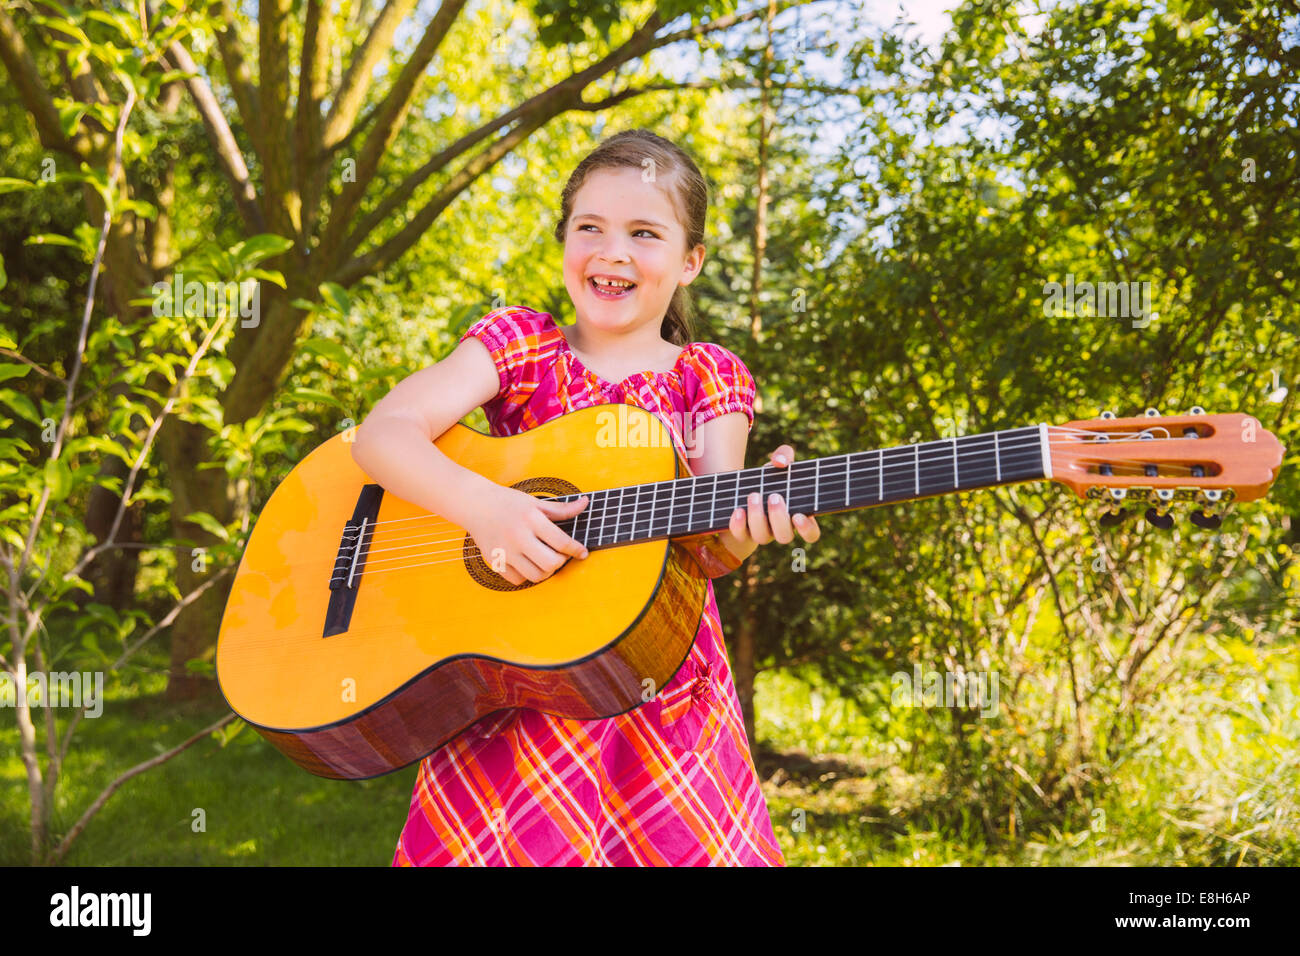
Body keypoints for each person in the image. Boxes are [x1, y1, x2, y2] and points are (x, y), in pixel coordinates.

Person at [351, 128, 820, 866]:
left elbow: (711, 542)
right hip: (513, 690)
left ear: (691, 260)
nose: (613, 252)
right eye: (590, 227)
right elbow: (383, 434)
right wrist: (485, 508)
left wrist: (752, 529)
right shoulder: (521, 346)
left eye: (644, 233)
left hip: (660, 695)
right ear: (565, 240)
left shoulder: (708, 376)